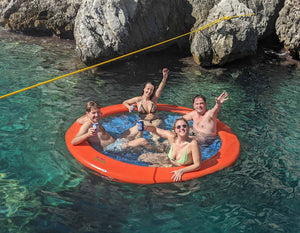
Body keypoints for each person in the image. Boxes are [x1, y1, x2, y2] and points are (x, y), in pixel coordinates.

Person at [71, 101, 152, 152]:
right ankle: (158, 150)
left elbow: (78, 120)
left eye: (98, 112)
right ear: (87, 113)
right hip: (111, 147)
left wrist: (87, 117)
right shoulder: (87, 125)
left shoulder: (93, 120)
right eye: (93, 113)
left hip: (116, 140)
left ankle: (142, 143)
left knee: (138, 126)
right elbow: (73, 142)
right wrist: (87, 135)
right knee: (142, 141)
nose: (97, 115)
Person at [139, 117, 201, 182]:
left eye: (184, 126)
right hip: (168, 160)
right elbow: (155, 130)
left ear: (188, 128)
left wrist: (182, 170)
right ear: (175, 130)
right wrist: (146, 127)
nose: (182, 128)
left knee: (152, 173)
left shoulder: (192, 144)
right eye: (178, 127)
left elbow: (197, 165)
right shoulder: (172, 138)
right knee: (142, 157)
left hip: (179, 167)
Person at [121, 68, 169, 140]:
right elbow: (125, 102)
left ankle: (157, 145)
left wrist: (164, 78)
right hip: (145, 122)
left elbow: (160, 88)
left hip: (156, 121)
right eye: (148, 89)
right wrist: (129, 107)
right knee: (139, 135)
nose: (149, 91)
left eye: (151, 90)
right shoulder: (138, 100)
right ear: (144, 89)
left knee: (156, 137)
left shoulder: (154, 100)